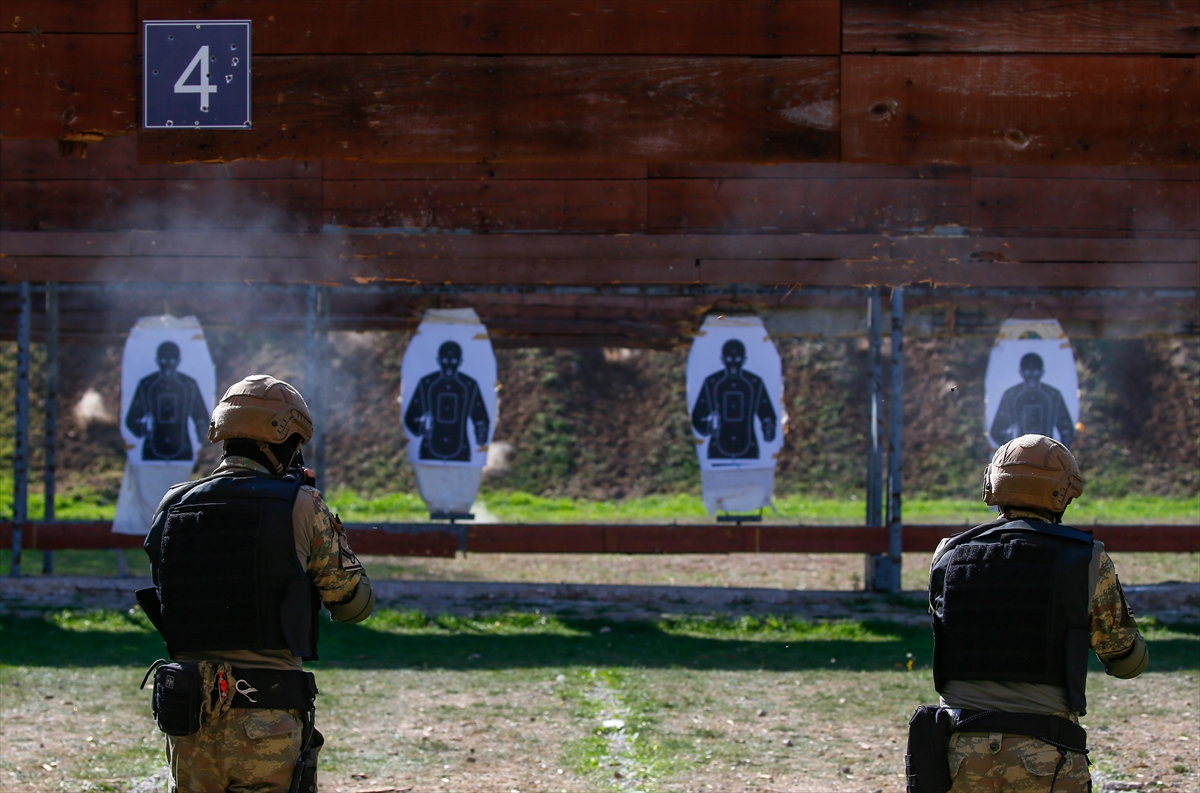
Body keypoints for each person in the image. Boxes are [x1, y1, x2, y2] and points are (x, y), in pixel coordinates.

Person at [137, 375, 374, 793]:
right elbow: (354, 604)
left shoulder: (172, 504)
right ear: (280, 439)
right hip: (265, 721)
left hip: (188, 720)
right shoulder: (300, 505)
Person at [906, 434, 1147, 793]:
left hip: (958, 753)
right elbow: (1125, 660)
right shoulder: (1085, 558)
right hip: (1044, 753)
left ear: (993, 484)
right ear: (1064, 492)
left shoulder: (948, 553)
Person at [403, 341, 490, 462]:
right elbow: (411, 415)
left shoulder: (469, 385)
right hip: (430, 449)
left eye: (453, 361)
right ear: (439, 361)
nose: (449, 365)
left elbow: (480, 415)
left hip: (460, 450)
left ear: (460, 362)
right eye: (445, 360)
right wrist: (420, 427)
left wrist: (481, 430)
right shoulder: (426, 383)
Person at [691, 339, 777, 460]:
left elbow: (766, 412)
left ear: (743, 360)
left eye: (737, 359)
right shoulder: (712, 382)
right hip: (718, 449)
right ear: (723, 359)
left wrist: (768, 427)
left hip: (748, 447)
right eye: (729, 359)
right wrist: (707, 427)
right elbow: (698, 414)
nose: (733, 364)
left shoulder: (754, 383)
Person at [125, 341, 210, 461]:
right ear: (157, 361)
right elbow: (131, 420)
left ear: (178, 361)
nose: (167, 366)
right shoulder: (146, 385)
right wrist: (143, 429)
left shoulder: (189, 385)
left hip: (182, 449)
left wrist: (202, 433)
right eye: (164, 361)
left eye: (172, 361)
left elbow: (202, 417)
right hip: (152, 449)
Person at [989, 353, 1075, 447]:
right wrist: (1012, 449)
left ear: (1041, 372)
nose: (1032, 377)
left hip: (1046, 453)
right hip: (1020, 454)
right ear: (1021, 373)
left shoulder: (1053, 396)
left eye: (1035, 372)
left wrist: (1058, 454)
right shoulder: (1011, 396)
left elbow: (1066, 430)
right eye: (1028, 372)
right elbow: (996, 431)